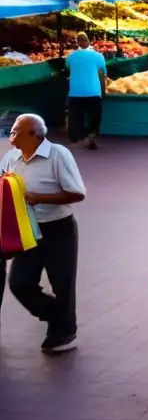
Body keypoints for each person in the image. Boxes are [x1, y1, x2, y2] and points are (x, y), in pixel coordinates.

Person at [0, 114, 85, 353]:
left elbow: (77, 193)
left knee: (62, 282)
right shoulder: (11, 158)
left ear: (34, 135)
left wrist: (39, 198)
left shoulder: (58, 155)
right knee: (20, 283)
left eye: (16, 132)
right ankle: (57, 315)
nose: (12, 137)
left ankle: (65, 332)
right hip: (26, 230)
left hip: (58, 228)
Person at [65, 32, 107, 150]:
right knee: (94, 116)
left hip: (76, 92)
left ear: (77, 42)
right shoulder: (98, 56)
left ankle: (76, 137)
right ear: (88, 41)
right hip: (93, 92)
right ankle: (91, 135)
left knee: (76, 117)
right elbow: (101, 75)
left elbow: (67, 69)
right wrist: (103, 92)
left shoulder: (71, 57)